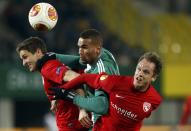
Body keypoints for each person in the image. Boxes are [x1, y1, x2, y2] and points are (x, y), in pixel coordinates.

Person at [49, 52, 163, 131]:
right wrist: (63, 90)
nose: (140, 74)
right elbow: (84, 78)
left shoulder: (155, 100)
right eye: (139, 69)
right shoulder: (116, 83)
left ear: (154, 77)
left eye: (146, 72)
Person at [16, 37, 87, 131]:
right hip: (72, 123)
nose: (23, 63)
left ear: (38, 52)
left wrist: (82, 109)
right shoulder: (48, 66)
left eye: (25, 57)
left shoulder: (47, 67)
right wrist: (58, 96)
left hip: (73, 125)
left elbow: (77, 78)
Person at [55, 29, 120, 128]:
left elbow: (102, 105)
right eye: (79, 47)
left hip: (104, 124)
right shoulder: (101, 54)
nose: (80, 51)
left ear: (97, 49)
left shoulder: (101, 72)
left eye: (84, 47)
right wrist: (54, 56)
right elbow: (79, 61)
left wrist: (72, 97)